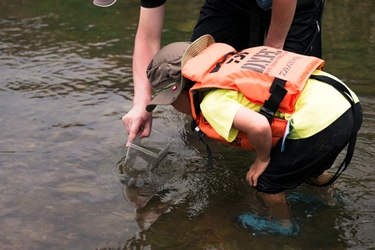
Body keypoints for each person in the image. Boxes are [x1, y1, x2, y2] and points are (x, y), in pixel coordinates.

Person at [144, 34, 363, 225]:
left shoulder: (212, 102)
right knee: (314, 170)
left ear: (182, 92)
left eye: (170, 101)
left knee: (266, 182)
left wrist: (263, 159)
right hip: (347, 103)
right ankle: (328, 203)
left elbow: (258, 126)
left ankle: (281, 228)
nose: (173, 107)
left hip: (319, 124)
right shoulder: (233, 64)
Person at [93, 0, 325, 146]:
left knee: (290, 97)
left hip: (293, 5)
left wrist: (272, 52)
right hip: (228, 4)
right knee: (195, 81)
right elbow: (147, 37)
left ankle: (311, 174)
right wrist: (141, 104)